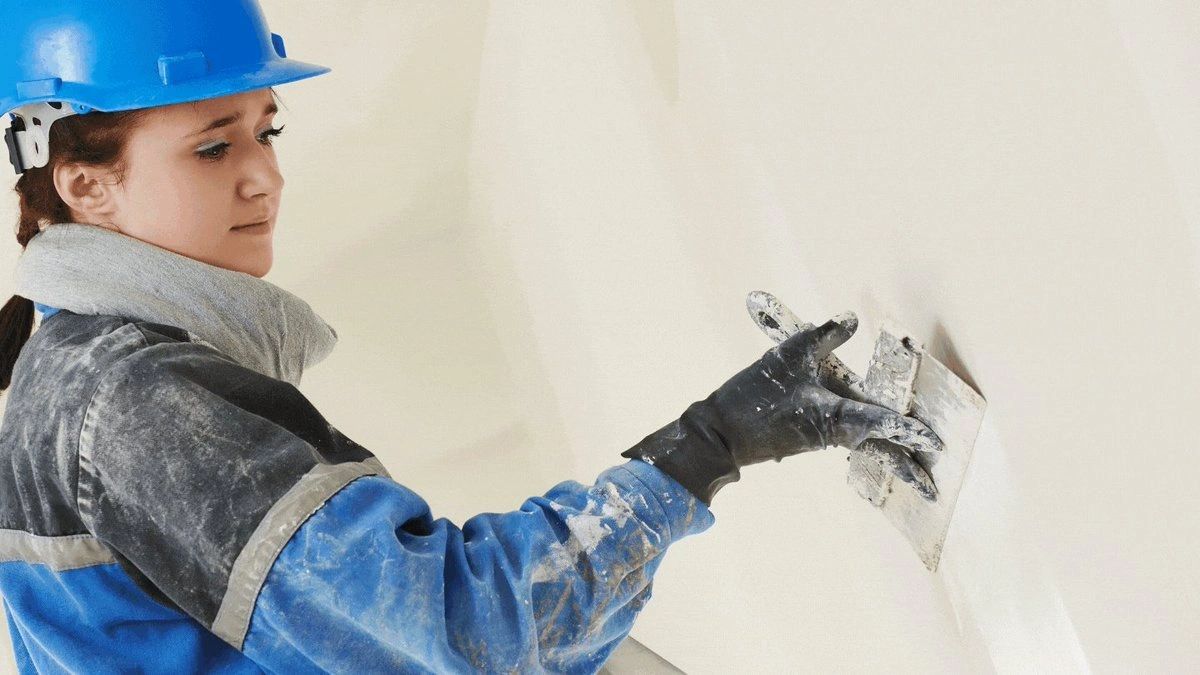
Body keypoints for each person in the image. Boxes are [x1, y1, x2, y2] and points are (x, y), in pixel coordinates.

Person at [0, 2, 944, 673]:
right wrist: (712, 442)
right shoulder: (130, 405)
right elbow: (460, 637)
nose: (266, 178)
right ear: (87, 184)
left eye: (267, 131)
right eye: (215, 146)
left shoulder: (72, 386)